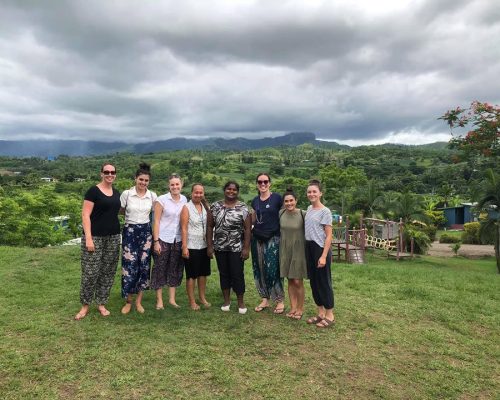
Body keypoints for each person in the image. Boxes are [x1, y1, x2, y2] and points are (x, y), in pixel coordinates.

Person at [75, 163, 121, 320]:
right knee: (90, 272)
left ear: (115, 174)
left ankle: (101, 303)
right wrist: (88, 237)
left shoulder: (117, 193)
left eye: (112, 172)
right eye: (106, 172)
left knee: (108, 272)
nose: (110, 174)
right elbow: (85, 215)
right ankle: (85, 305)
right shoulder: (93, 191)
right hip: (94, 237)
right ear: (101, 173)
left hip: (113, 237)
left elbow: (119, 211)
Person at [207, 181, 251, 314]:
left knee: (237, 274)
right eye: (228, 189)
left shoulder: (243, 208)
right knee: (224, 274)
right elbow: (209, 226)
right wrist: (210, 246)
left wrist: (246, 248)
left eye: (234, 190)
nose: (231, 191)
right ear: (224, 190)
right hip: (220, 247)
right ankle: (226, 301)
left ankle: (240, 302)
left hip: (236, 247)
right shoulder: (215, 206)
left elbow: (247, 229)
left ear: (237, 192)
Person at [119, 163, 157, 315]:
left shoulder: (152, 196)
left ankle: (139, 301)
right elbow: (121, 211)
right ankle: (128, 300)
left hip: (146, 232)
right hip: (130, 231)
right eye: (141, 179)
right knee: (129, 266)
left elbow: (155, 216)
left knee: (144, 266)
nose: (143, 183)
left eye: (146, 181)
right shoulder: (126, 194)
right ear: (135, 179)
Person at [151, 173, 187, 309]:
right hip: (163, 238)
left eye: (177, 184)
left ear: (181, 185)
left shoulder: (184, 199)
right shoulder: (162, 200)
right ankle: (159, 300)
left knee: (175, 269)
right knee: (159, 268)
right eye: (172, 184)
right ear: (169, 186)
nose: (175, 186)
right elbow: (156, 221)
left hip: (177, 239)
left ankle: (172, 299)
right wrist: (156, 241)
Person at [251, 173, 285, 314]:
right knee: (259, 269)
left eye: (265, 181)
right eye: (260, 182)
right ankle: (264, 298)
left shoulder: (277, 198)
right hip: (257, 238)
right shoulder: (255, 201)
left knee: (273, 269)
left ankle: (279, 300)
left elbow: (285, 214)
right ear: (257, 184)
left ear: (270, 183)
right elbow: (252, 219)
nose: (263, 184)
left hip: (273, 239)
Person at [304, 180, 335, 328]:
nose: (311, 194)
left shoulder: (325, 211)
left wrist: (323, 256)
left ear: (320, 193)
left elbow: (329, 235)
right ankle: (320, 312)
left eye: (314, 191)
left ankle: (330, 314)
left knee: (324, 282)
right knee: (314, 282)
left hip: (321, 248)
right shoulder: (309, 209)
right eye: (309, 192)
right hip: (309, 247)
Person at [180, 183, 211, 310]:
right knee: (192, 275)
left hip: (204, 245)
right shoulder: (186, 207)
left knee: (203, 274)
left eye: (200, 192)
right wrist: (184, 246)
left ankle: (202, 297)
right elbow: (183, 228)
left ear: (203, 193)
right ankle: (192, 301)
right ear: (191, 193)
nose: (198, 194)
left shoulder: (205, 206)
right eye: (196, 192)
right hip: (191, 246)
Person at [279, 187, 307, 320]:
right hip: (285, 250)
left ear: (296, 201)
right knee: (289, 280)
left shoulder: (303, 214)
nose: (289, 203)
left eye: (291, 200)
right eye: (286, 201)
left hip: (298, 250)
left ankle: (300, 308)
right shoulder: (281, 214)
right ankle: (293, 307)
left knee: (297, 281)